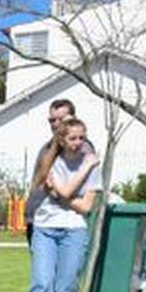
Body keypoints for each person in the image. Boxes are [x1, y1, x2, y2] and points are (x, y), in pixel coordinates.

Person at [25, 117, 101, 292]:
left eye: (82, 138)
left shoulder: (93, 169)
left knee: (65, 290)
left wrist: (63, 196)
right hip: (45, 228)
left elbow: (86, 207)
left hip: (74, 231)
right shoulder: (51, 163)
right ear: (62, 140)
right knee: (41, 286)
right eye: (73, 138)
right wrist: (86, 167)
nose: (78, 143)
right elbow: (69, 194)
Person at [26, 99, 96, 243]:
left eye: (61, 119)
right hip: (38, 220)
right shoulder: (46, 149)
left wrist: (57, 193)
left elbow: (79, 190)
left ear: (72, 119)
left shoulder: (82, 148)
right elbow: (38, 182)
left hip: (65, 223)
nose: (56, 123)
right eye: (52, 120)